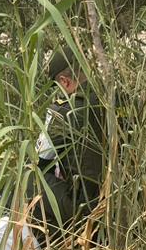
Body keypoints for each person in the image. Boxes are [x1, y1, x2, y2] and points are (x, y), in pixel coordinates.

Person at [28, 49, 109, 238]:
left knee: (29, 177)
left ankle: (50, 237)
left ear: (65, 81)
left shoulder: (65, 111)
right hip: (124, 200)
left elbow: (40, 159)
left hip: (86, 209)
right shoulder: (121, 99)